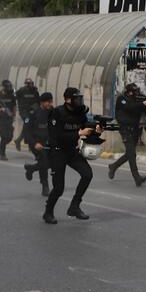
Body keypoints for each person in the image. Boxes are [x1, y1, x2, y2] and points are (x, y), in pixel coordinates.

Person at [43, 88, 98, 224]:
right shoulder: (57, 113)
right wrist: (79, 134)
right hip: (58, 151)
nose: (79, 101)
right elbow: (57, 136)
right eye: (76, 98)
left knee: (87, 174)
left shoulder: (80, 113)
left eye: (80, 98)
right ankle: (48, 212)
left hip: (72, 151)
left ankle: (74, 206)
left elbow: (86, 130)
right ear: (67, 100)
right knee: (59, 188)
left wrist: (96, 131)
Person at [108, 83, 146, 187]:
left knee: (129, 153)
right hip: (125, 130)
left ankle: (113, 166)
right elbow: (129, 107)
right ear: (129, 92)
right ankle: (137, 178)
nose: (136, 93)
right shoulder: (121, 99)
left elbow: (145, 110)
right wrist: (142, 104)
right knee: (132, 154)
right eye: (134, 92)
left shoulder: (137, 100)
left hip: (135, 130)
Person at [23, 92, 54, 197]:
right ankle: (45, 187)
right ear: (43, 102)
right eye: (48, 102)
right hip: (36, 143)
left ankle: (31, 168)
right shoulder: (33, 112)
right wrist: (34, 143)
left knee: (52, 162)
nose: (50, 104)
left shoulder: (51, 111)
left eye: (51, 101)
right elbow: (26, 131)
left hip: (47, 142)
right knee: (44, 161)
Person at [0, 80, 17, 160]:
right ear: (3, 87)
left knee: (9, 137)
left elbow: (14, 106)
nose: (9, 88)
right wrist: (2, 109)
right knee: (4, 136)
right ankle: (2, 154)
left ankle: (1, 145)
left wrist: (14, 115)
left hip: (8, 119)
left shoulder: (11, 95)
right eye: (7, 87)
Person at [15, 78, 40, 151]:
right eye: (27, 83)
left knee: (29, 127)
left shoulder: (35, 91)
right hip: (24, 112)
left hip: (32, 112)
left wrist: (35, 109)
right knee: (28, 124)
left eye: (30, 83)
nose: (29, 85)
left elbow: (38, 102)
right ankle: (23, 142)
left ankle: (22, 141)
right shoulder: (21, 91)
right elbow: (15, 97)